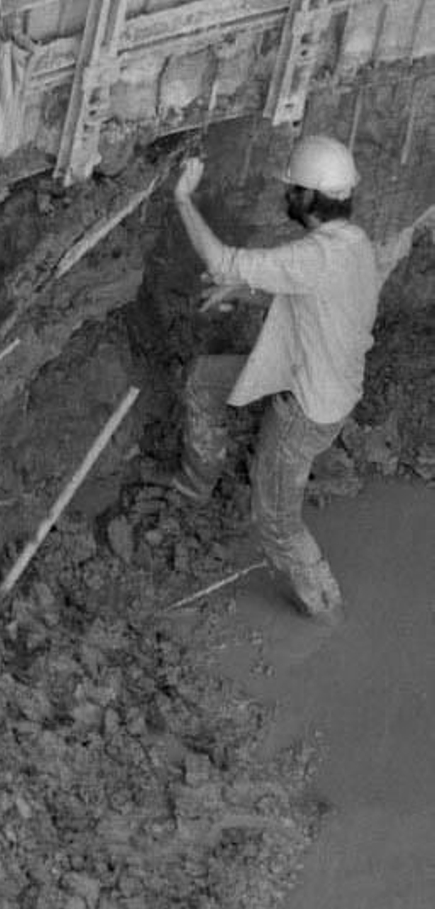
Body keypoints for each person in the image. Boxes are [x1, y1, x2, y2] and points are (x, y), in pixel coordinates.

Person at [160, 135, 381, 622]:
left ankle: (327, 610)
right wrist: (242, 292)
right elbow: (311, 298)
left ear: (306, 196)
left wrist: (182, 198)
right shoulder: (354, 246)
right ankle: (196, 486)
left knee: (277, 522)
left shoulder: (315, 256)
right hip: (317, 376)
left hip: (306, 411)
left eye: (290, 190)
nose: (286, 197)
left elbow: (221, 260)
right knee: (203, 381)